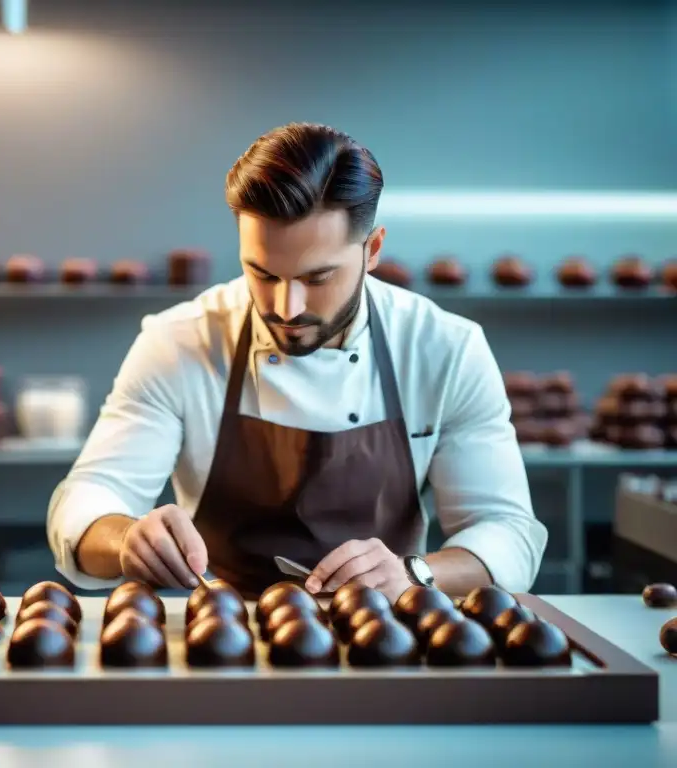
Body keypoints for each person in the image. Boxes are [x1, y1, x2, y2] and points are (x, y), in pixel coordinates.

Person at [46, 122, 547, 602]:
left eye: (318, 277)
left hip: (390, 635)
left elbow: (508, 533)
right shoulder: (179, 341)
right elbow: (88, 498)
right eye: (261, 274)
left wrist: (415, 573)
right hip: (221, 635)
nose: (286, 308)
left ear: (372, 249)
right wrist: (127, 539)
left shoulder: (444, 348)